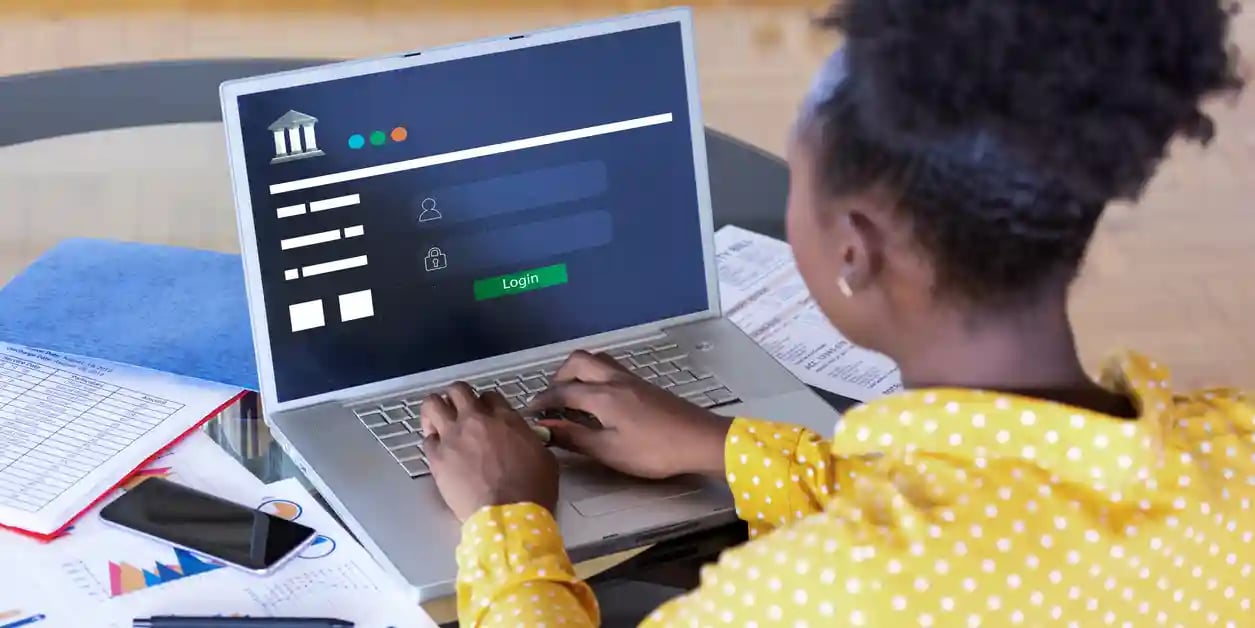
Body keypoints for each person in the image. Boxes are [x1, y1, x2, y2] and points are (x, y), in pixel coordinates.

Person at [419, 0, 1251, 625]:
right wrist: (722, 447)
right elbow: (1005, 507)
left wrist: (504, 516)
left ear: (854, 248)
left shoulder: (807, 591)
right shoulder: (1235, 454)